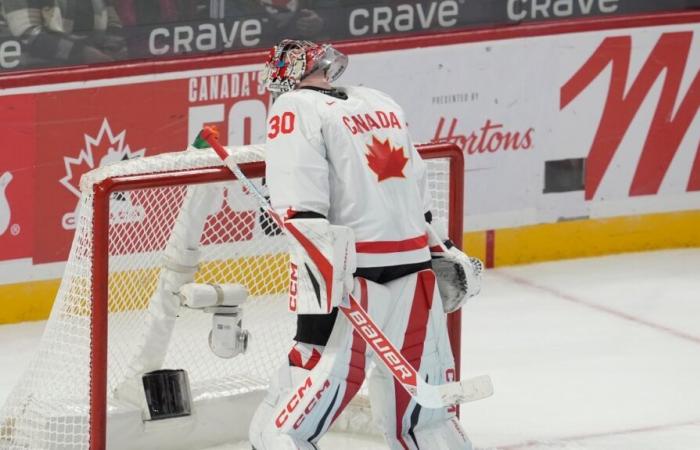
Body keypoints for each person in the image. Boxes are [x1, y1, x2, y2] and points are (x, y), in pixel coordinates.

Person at [249, 39, 483, 450]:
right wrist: (441, 246)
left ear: (285, 77)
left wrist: (317, 270)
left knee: (308, 390)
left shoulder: (295, 107)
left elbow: (299, 200)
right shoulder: (380, 101)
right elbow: (416, 182)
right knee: (424, 420)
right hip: (413, 265)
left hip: (348, 268)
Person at [2, 0, 125, 65]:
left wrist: (110, 49)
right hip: (39, 77)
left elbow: (114, 23)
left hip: (95, 70)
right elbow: (29, 34)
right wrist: (83, 53)